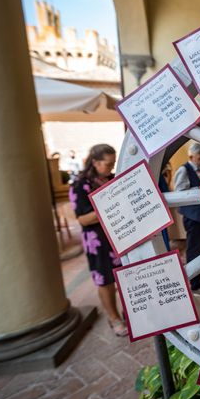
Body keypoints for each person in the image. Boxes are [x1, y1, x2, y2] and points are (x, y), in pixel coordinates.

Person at [69, 144, 127, 337]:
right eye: (107, 164)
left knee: (124, 275)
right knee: (105, 280)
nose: (111, 167)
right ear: (95, 162)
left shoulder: (110, 178)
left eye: (113, 163)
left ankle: (131, 313)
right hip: (97, 240)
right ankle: (114, 318)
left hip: (117, 236)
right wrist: (109, 207)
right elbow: (82, 218)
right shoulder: (80, 184)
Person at [174, 143, 200, 290]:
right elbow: (180, 193)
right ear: (191, 157)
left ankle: (196, 276)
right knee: (193, 249)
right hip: (193, 217)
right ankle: (193, 283)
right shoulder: (183, 170)